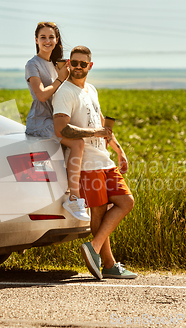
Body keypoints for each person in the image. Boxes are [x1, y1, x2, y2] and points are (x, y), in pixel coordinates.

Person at [53, 46, 137, 279]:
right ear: (69, 64)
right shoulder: (64, 92)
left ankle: (95, 247)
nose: (78, 67)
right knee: (98, 211)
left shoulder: (91, 90)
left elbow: (103, 127)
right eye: (75, 63)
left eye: (83, 64)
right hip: (87, 163)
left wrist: (119, 151)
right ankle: (109, 265)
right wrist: (94, 133)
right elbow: (62, 129)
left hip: (105, 160)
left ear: (90, 66)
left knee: (126, 202)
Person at [25, 22, 89, 221]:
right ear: (36, 40)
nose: (47, 41)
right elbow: (41, 95)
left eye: (51, 37)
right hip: (40, 121)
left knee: (83, 138)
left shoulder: (56, 65)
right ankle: (73, 197)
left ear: (56, 40)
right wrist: (60, 79)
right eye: (43, 37)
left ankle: (81, 193)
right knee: (77, 142)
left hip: (56, 119)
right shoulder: (32, 65)